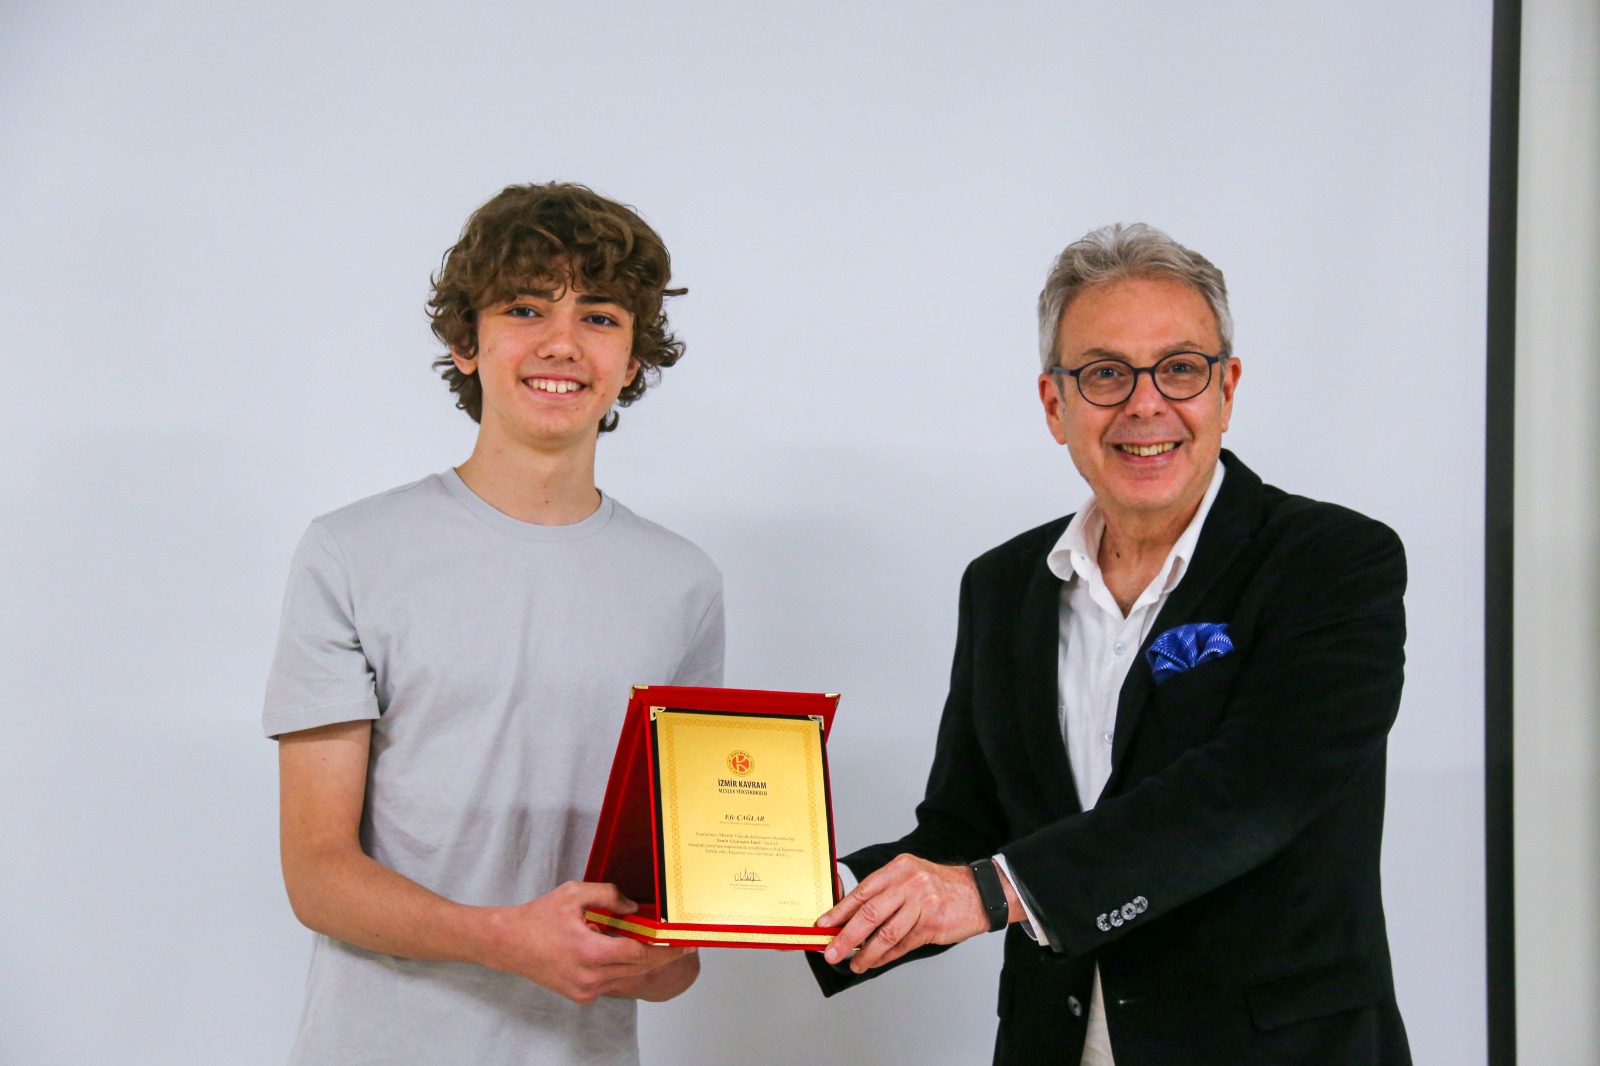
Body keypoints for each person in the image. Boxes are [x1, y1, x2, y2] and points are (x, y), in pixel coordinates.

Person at [809, 224, 1411, 1064]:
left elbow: (1252, 791)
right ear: (1054, 404)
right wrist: (786, 892)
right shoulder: (1003, 585)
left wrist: (995, 891)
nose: (1145, 404)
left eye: (1180, 368)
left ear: (1227, 387)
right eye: (1104, 374)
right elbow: (967, 829)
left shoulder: (1333, 562)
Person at [263, 182, 722, 1065]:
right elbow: (317, 874)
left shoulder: (684, 583)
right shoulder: (349, 552)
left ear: (633, 359)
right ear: (464, 343)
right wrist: (508, 939)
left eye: (599, 316)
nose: (562, 343)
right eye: (524, 308)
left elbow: (678, 929)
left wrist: (678, 949)